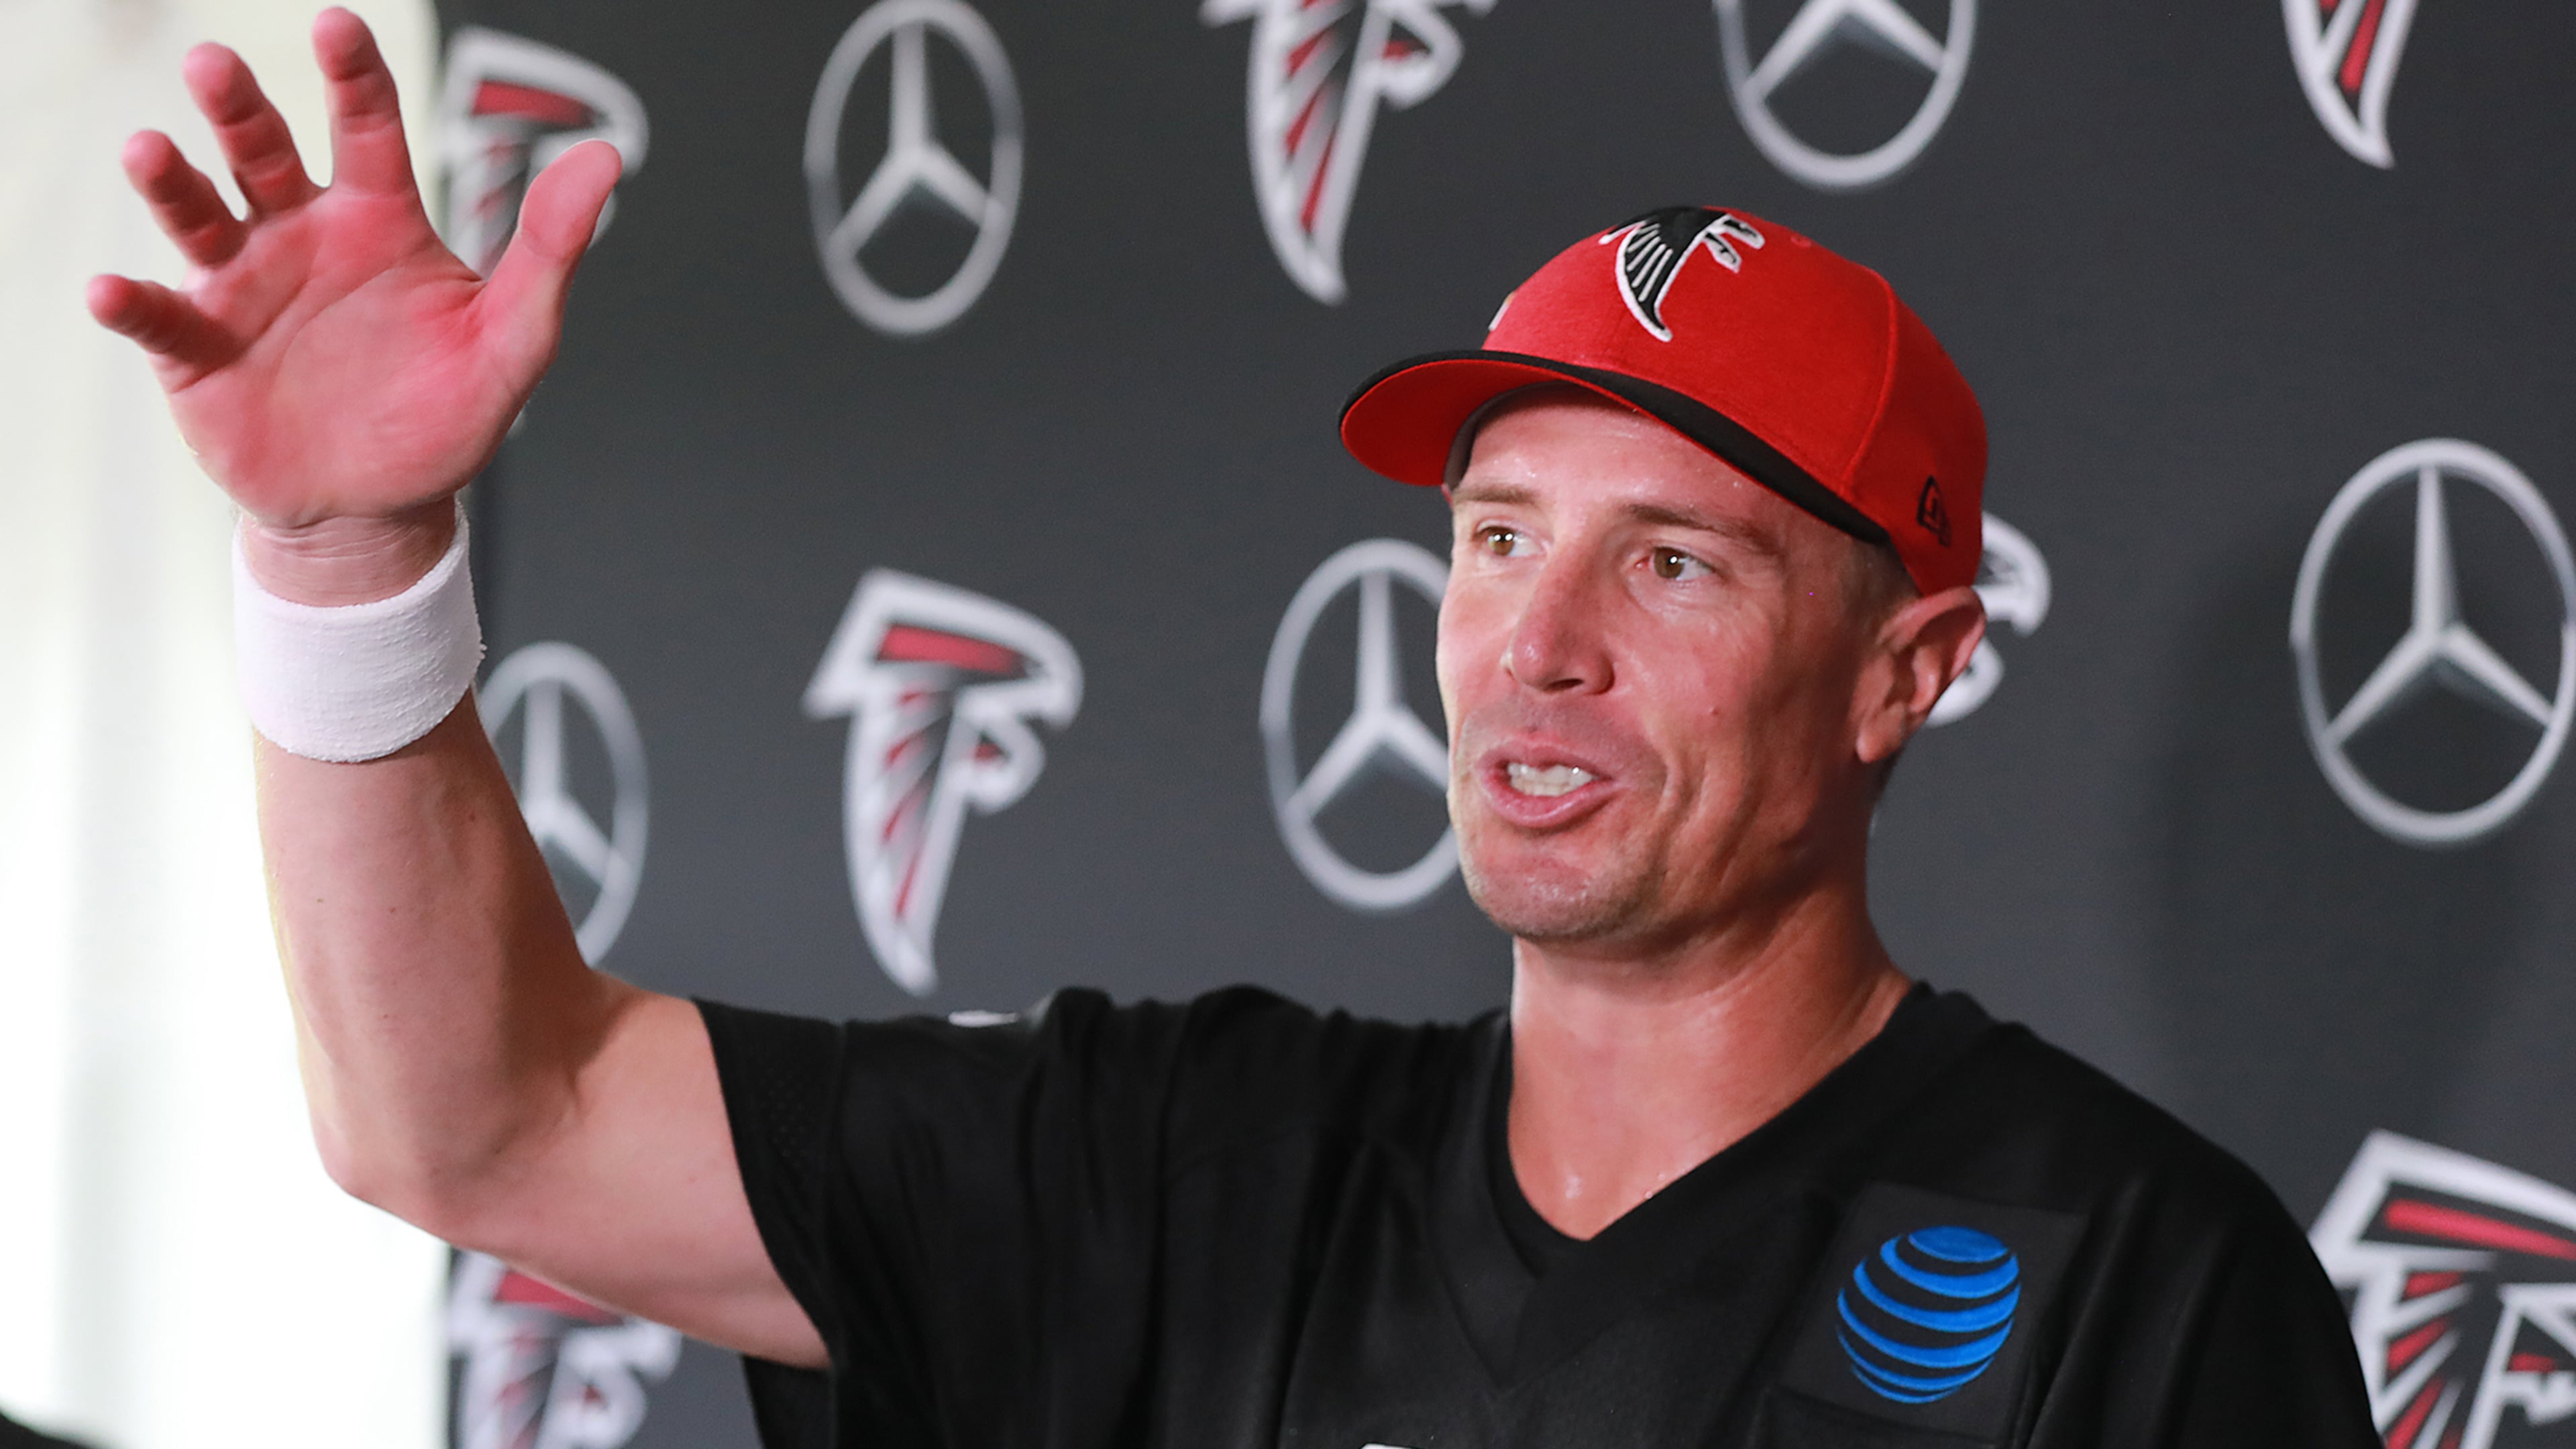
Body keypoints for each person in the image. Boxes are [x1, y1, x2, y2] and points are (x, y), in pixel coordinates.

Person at [87, 11, 2379, 1446]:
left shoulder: (2137, 1280)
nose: (1534, 645)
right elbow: (484, 1119)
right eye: (1495, 538)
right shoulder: (1181, 1168)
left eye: (1674, 563)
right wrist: (351, 558)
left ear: (1909, 668)